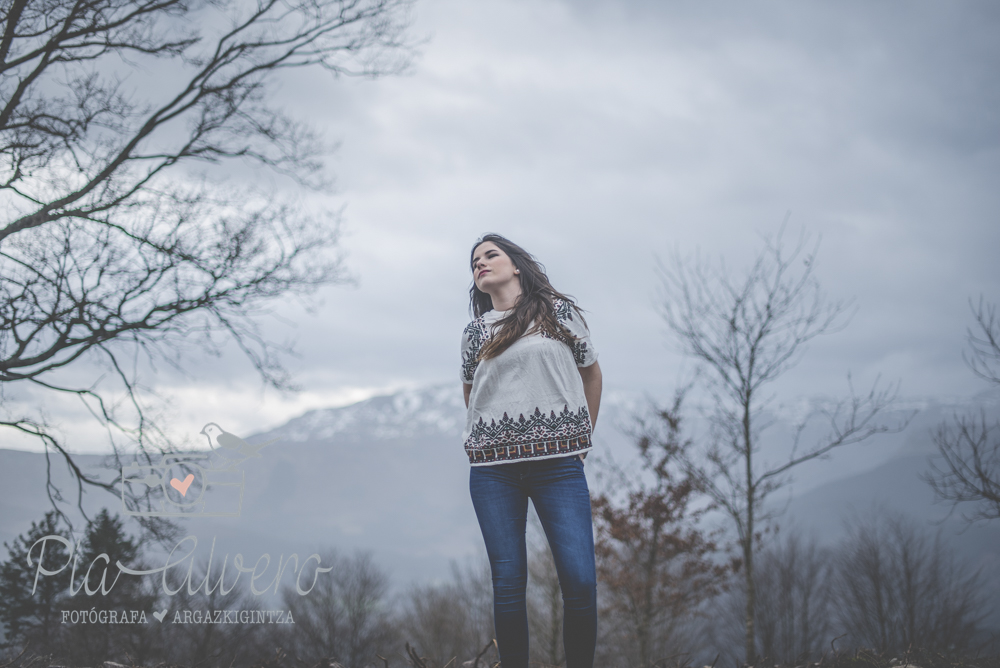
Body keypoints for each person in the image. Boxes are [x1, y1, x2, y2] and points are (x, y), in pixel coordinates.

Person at [460, 234, 602, 668]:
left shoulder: (559, 313)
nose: (480, 263)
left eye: (490, 255)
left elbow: (592, 375)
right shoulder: (474, 332)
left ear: (516, 265)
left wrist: (582, 440)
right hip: (493, 473)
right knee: (507, 583)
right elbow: (473, 393)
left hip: (558, 466)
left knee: (579, 582)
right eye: (474, 261)